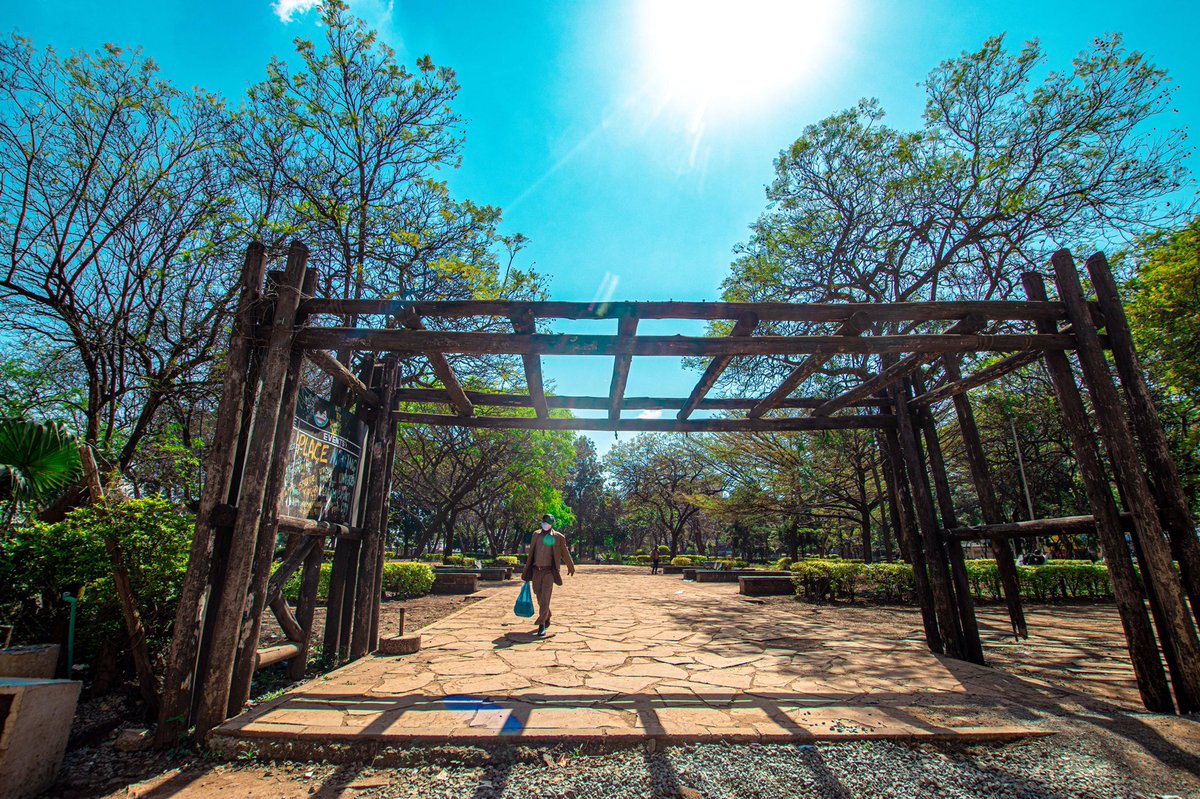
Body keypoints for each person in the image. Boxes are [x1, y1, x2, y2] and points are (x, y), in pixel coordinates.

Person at [521, 513, 576, 636]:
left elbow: (564, 552)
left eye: (547, 522)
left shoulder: (558, 537)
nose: (545, 524)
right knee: (539, 595)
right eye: (543, 521)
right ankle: (547, 614)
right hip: (536, 571)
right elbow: (531, 553)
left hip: (549, 572)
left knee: (545, 596)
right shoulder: (536, 535)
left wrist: (570, 566)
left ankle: (541, 624)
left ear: (551, 524)